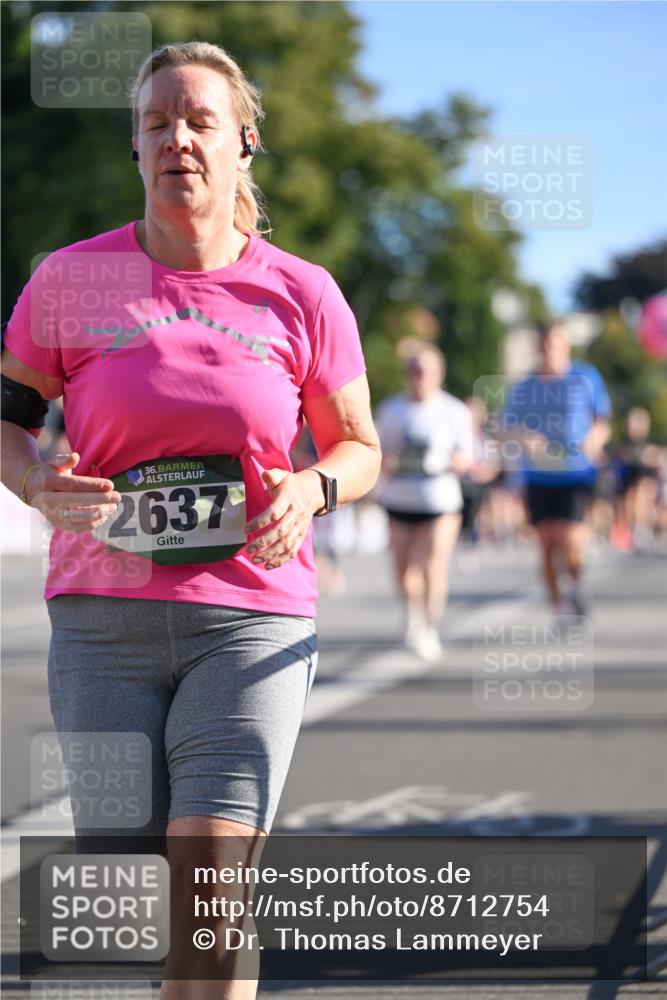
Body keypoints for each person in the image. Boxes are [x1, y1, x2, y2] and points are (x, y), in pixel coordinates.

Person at [1, 41, 381, 998]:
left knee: (209, 900)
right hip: (101, 624)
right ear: (134, 147)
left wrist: (312, 487)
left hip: (250, 619)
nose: (178, 138)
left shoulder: (305, 293)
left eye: (200, 120)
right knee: (135, 897)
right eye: (156, 122)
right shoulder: (67, 283)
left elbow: (359, 447)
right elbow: (5, 429)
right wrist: (41, 486)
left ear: (243, 143)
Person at [502, 322, 611, 617]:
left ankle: (576, 585)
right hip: (538, 475)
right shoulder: (524, 386)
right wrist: (525, 438)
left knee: (572, 540)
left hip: (576, 472)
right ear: (539, 347)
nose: (551, 349)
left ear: (566, 346)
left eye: (557, 343)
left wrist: (594, 441)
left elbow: (602, 421)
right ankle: (558, 606)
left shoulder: (585, 377)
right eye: (546, 343)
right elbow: (505, 428)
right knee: (548, 545)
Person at [374, 342, 473, 661]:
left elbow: (468, 457)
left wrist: (444, 461)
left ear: (438, 374)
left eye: (426, 371)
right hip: (400, 498)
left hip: (440, 499)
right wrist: (389, 463)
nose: (420, 376)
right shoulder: (391, 410)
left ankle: (429, 627)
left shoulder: (454, 410)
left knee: (433, 564)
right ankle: (413, 614)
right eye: (414, 370)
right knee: (404, 574)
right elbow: (375, 451)